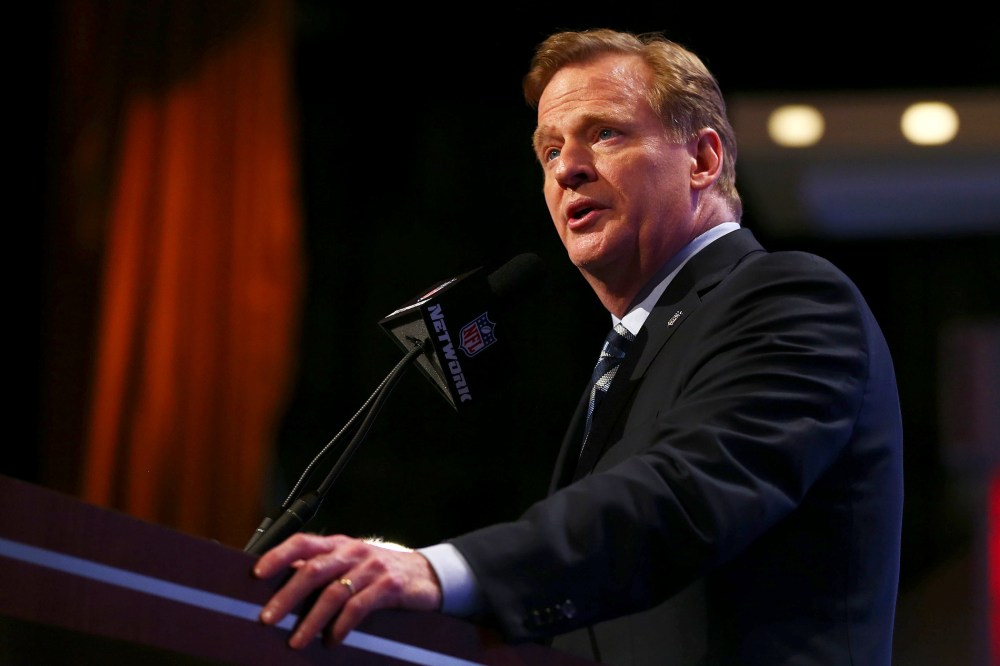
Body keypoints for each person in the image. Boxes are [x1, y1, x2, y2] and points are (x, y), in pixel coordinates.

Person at [253, 28, 904, 665]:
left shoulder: (789, 298)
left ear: (702, 160)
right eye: (549, 149)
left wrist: (441, 571)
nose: (567, 167)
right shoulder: (628, 355)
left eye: (605, 133)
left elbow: (681, 498)